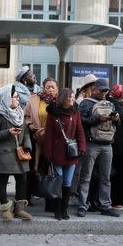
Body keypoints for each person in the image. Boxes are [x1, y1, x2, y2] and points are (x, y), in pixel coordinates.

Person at [0, 85, 33, 221]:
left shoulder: (20, 113)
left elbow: (25, 132)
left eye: (18, 97)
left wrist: (28, 146)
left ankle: (19, 209)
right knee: (3, 180)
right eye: (15, 97)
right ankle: (5, 209)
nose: (17, 100)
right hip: (3, 153)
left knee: (22, 178)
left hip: (19, 153)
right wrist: (8, 132)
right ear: (6, 98)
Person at [76, 78, 120, 217]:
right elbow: (81, 122)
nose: (104, 93)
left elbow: (117, 125)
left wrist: (116, 119)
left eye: (106, 90)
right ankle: (82, 206)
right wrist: (97, 119)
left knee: (105, 177)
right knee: (86, 176)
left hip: (107, 144)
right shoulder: (85, 103)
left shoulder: (110, 104)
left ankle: (105, 206)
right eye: (102, 90)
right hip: (92, 143)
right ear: (94, 89)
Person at [44, 88, 86, 220]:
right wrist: (48, 154)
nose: (73, 100)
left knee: (67, 182)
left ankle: (64, 209)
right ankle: (57, 210)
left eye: (74, 97)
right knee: (58, 181)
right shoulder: (53, 113)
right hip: (57, 153)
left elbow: (80, 131)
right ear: (63, 99)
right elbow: (49, 135)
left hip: (71, 153)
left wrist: (82, 148)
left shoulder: (75, 112)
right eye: (70, 98)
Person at [26, 78, 58, 211]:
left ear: (57, 88)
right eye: (47, 87)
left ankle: (51, 202)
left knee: (51, 170)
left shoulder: (61, 101)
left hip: (54, 141)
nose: (50, 89)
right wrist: (31, 125)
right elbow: (26, 116)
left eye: (53, 87)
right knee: (34, 169)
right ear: (43, 88)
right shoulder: (34, 99)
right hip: (37, 138)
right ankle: (29, 197)